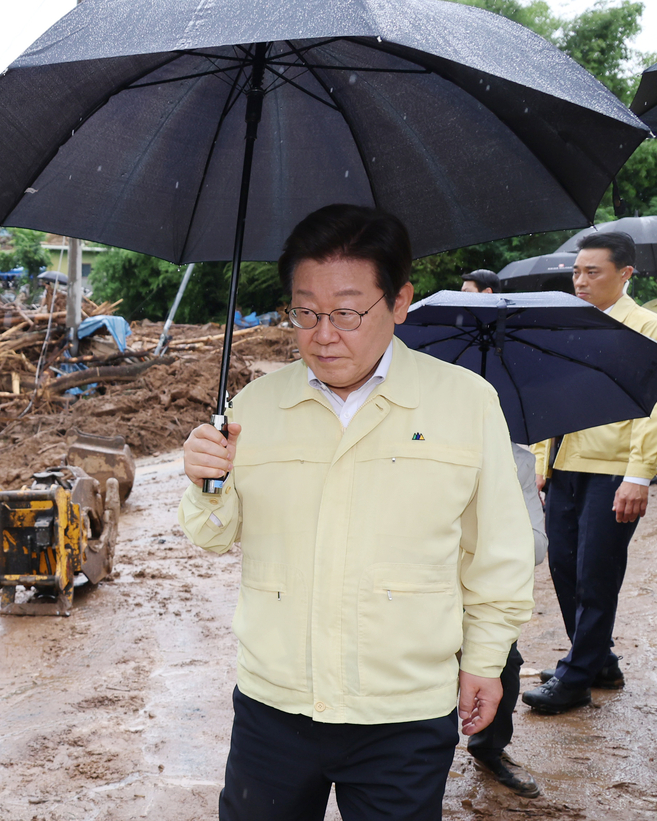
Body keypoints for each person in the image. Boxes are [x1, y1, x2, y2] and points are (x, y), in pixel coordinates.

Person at [179, 203, 534, 821]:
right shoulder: (255, 407)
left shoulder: (464, 403)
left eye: (346, 312)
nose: (322, 333)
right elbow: (213, 536)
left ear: (399, 303)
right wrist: (208, 481)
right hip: (275, 706)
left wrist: (484, 661)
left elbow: (498, 552)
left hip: (402, 712)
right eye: (305, 311)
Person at [523, 231, 657, 714]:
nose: (580, 281)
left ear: (625, 274)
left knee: (595, 574)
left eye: (592, 272)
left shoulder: (645, 330)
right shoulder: (570, 326)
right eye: (576, 272)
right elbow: (549, 397)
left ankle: (576, 679)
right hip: (565, 466)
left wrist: (638, 475)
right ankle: (597, 661)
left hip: (613, 470)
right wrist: (541, 462)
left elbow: (654, 410)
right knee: (562, 569)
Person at [466, 443, 546, 797]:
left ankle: (489, 748)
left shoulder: (517, 460)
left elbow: (537, 548)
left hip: (484, 590)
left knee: (504, 665)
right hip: (411, 591)